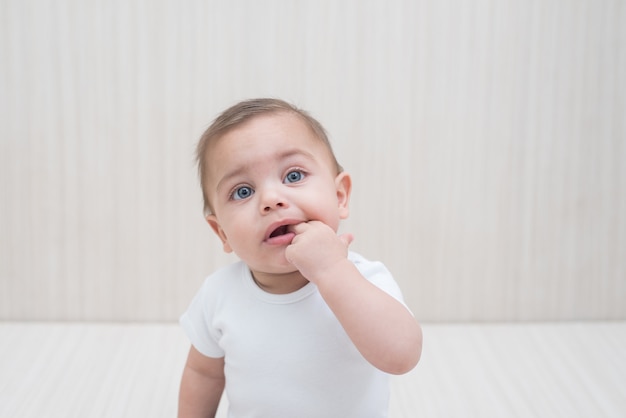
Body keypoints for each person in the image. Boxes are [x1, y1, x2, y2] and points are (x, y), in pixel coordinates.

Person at [178, 98, 422, 418]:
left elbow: (401, 356)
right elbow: (203, 374)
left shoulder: (364, 280)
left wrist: (332, 270)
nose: (270, 199)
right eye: (243, 191)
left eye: (293, 176)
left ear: (339, 196)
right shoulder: (219, 293)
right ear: (221, 232)